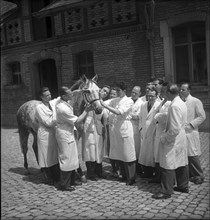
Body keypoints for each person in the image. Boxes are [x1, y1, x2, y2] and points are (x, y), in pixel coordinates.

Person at [152, 83, 189, 200]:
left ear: (169, 92)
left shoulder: (174, 106)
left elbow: (174, 128)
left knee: (167, 163)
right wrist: (161, 116)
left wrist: (165, 138)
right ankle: (183, 185)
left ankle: (166, 190)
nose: (164, 95)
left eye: (164, 92)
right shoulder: (180, 102)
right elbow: (173, 118)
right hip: (180, 137)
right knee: (181, 161)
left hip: (173, 138)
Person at [55, 87, 92, 191]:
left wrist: (82, 90)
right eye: (69, 94)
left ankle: (71, 180)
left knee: (73, 157)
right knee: (66, 158)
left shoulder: (62, 100)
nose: (72, 95)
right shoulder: (62, 108)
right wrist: (86, 110)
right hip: (64, 134)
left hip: (69, 133)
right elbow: (77, 121)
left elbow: (74, 92)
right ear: (63, 96)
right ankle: (64, 184)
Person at [101, 81, 136, 185]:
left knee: (128, 153)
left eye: (118, 90)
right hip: (116, 129)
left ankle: (131, 177)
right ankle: (124, 175)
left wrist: (105, 106)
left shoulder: (129, 101)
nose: (117, 92)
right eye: (116, 90)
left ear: (124, 91)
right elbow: (102, 103)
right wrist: (99, 95)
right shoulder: (115, 100)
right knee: (120, 154)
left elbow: (118, 112)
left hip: (125, 127)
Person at [82, 85, 110, 181]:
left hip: (98, 128)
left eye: (107, 93)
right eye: (104, 90)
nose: (105, 93)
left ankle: (99, 171)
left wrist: (104, 128)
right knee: (89, 150)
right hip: (89, 127)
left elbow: (105, 117)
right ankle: (91, 173)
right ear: (99, 90)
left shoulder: (103, 103)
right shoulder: (89, 100)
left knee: (99, 150)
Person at [180, 83, 206, 185]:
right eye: (180, 90)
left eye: (183, 90)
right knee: (185, 154)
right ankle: (191, 175)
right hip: (182, 132)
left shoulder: (195, 101)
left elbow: (202, 116)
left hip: (191, 132)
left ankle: (199, 175)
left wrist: (191, 125)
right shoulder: (180, 102)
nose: (181, 91)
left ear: (189, 90)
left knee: (193, 154)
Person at [35, 87, 60, 184]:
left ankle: (56, 176)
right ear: (41, 97)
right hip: (45, 134)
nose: (49, 97)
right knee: (47, 156)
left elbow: (59, 98)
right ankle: (49, 177)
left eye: (50, 94)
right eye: (46, 95)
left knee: (54, 155)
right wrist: (60, 118)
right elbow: (47, 122)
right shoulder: (39, 108)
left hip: (53, 132)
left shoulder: (52, 103)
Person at [149, 82, 171, 183]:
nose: (160, 93)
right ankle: (157, 177)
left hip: (163, 132)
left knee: (162, 156)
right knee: (156, 155)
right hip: (157, 132)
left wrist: (157, 116)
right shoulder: (162, 101)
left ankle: (163, 178)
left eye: (162, 91)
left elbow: (166, 116)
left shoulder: (170, 103)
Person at [138, 88, 161, 178]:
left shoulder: (159, 105)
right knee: (145, 154)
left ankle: (155, 174)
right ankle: (147, 173)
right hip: (144, 132)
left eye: (152, 96)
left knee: (153, 154)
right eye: (149, 96)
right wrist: (140, 128)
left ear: (157, 96)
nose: (150, 98)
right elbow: (140, 117)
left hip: (154, 133)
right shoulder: (143, 105)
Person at [104, 87, 120, 177]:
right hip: (109, 129)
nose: (112, 95)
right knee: (110, 149)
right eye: (111, 94)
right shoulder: (106, 103)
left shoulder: (119, 103)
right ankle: (114, 168)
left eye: (114, 94)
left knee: (118, 149)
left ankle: (119, 168)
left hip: (118, 129)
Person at [130, 86, 144, 175]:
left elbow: (138, 117)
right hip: (127, 128)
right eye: (132, 92)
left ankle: (138, 169)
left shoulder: (141, 103)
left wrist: (126, 114)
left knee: (137, 150)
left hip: (136, 129)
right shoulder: (127, 100)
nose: (133, 94)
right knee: (129, 149)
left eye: (135, 93)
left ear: (140, 94)